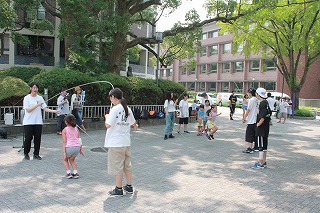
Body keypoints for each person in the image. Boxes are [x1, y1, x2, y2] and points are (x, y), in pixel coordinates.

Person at [104, 88, 138, 197]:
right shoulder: (128, 109)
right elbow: (134, 124)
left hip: (115, 142)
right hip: (126, 142)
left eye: (111, 98)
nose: (111, 100)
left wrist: (106, 117)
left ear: (113, 97)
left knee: (117, 166)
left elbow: (108, 125)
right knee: (127, 165)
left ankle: (118, 189)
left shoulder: (114, 109)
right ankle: (129, 186)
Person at [23, 82, 59, 160]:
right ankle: (26, 153)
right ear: (31, 88)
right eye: (34, 88)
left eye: (36, 88)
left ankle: (36, 154)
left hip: (38, 122)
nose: (35, 89)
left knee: (37, 138)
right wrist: (37, 105)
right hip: (28, 122)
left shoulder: (40, 98)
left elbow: (45, 108)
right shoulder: (27, 98)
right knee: (28, 138)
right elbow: (28, 110)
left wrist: (54, 111)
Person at [251, 87, 270, 169]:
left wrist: (258, 124)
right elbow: (268, 114)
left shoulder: (262, 104)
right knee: (264, 145)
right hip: (266, 127)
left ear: (258, 94)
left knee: (260, 146)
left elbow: (262, 116)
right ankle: (264, 161)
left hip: (261, 128)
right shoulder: (266, 102)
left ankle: (260, 162)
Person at [62, 114, 84, 179]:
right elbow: (79, 139)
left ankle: (68, 173)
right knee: (72, 160)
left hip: (69, 147)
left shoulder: (65, 130)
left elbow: (64, 141)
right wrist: (80, 149)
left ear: (66, 122)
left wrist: (64, 151)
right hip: (77, 147)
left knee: (65, 160)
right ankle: (75, 172)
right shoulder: (76, 129)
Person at [242, 88, 259, 154]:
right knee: (254, 134)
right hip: (255, 119)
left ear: (250, 93)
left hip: (251, 120)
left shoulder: (251, 100)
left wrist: (244, 118)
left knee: (249, 134)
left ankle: (250, 148)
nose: (248, 94)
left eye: (248, 93)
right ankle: (255, 147)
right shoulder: (256, 100)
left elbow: (248, 110)